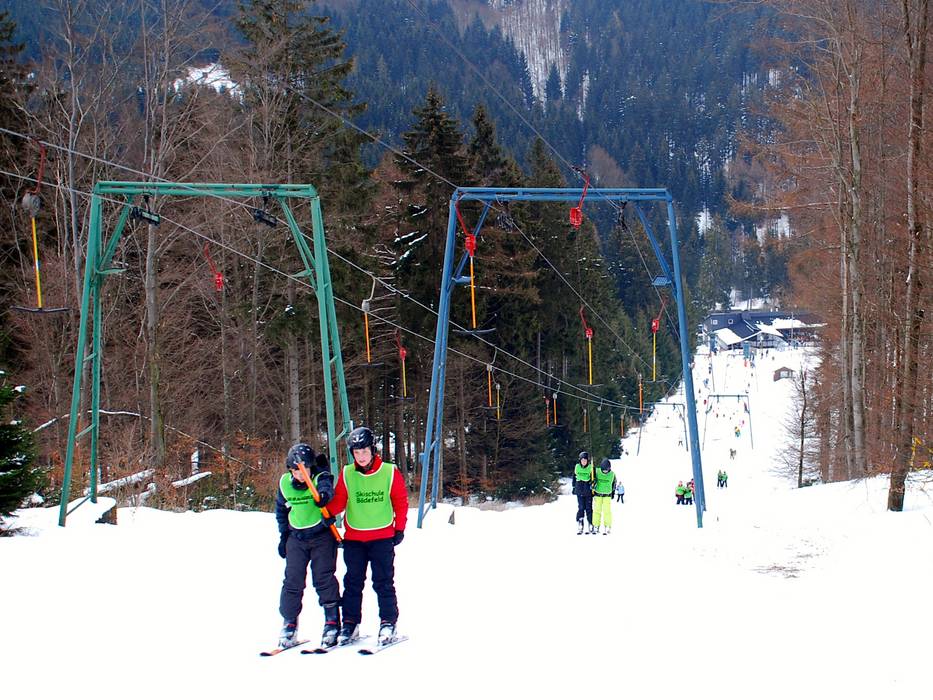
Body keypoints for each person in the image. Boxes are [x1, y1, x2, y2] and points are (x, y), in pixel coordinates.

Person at [326, 426, 408, 647]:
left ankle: (388, 622)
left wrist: (399, 528)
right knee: (352, 582)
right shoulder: (347, 473)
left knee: (383, 582)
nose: (361, 456)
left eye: (364, 451)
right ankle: (350, 623)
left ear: (372, 450)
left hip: (382, 537)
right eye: (356, 452)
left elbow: (400, 501)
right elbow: (340, 500)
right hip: (355, 538)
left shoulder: (389, 472)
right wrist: (325, 509)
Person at [275, 443, 340, 650]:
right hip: (296, 537)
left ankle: (331, 621)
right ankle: (289, 623)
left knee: (323, 578)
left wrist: (324, 496)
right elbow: (281, 511)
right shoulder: (285, 483)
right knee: (292, 581)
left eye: (304, 470)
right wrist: (284, 537)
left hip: (321, 536)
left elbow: (327, 488)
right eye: (296, 471)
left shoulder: (320, 478)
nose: (301, 475)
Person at [571, 451, 595, 534]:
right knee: (581, 507)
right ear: (580, 460)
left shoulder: (591, 467)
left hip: (588, 490)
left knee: (588, 508)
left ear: (587, 461)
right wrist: (574, 487)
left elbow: (594, 478)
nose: (584, 462)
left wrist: (593, 482)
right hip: (579, 489)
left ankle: (591, 523)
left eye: (585, 460)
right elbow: (574, 477)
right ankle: (580, 523)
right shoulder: (577, 467)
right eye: (582, 460)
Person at [592, 458, 616, 534]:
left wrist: (613, 493)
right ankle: (596, 525)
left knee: (607, 511)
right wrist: (593, 483)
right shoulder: (597, 471)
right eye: (603, 470)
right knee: (597, 511)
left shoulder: (612, 474)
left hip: (607, 495)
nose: (605, 472)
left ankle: (607, 525)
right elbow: (593, 479)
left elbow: (614, 484)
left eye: (606, 470)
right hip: (598, 494)